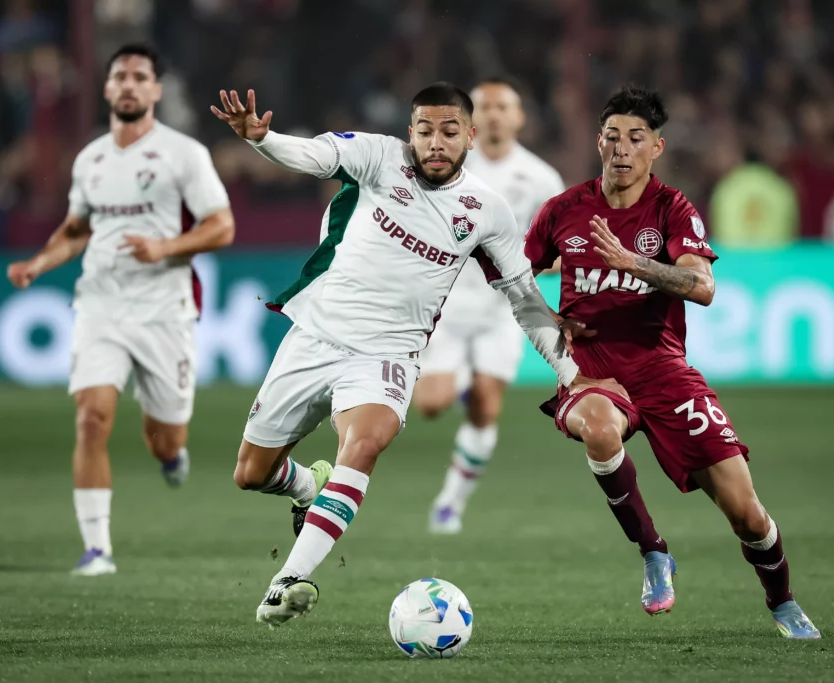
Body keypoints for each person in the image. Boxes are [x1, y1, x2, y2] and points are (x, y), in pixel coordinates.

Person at [210, 82, 588, 628]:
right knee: (251, 473)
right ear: (412, 131)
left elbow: (526, 300)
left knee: (363, 445)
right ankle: (306, 487)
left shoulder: (487, 211)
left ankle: (287, 579)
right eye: (426, 130)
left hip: (388, 354)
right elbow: (314, 155)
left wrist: (571, 374)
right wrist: (262, 138)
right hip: (316, 336)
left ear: (470, 137)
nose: (437, 142)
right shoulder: (378, 156)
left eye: (450, 132)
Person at [525, 86, 820, 639]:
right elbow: (512, 276)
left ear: (656, 147)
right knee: (598, 429)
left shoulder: (671, 209)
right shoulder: (563, 211)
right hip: (590, 371)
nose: (621, 148)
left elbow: (702, 286)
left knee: (747, 513)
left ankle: (782, 602)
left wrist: (633, 262)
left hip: (662, 370)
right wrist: (547, 316)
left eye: (635, 138)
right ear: (598, 142)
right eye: (611, 137)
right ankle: (654, 551)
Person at [6, 44, 235, 577]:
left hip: (164, 311)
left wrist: (165, 248)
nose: (129, 85)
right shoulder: (91, 159)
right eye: (120, 77)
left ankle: (171, 455)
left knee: (165, 438)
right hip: (100, 304)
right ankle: (97, 549)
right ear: (107, 89)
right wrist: (39, 263)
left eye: (140, 77)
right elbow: (77, 231)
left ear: (155, 90)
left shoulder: (184, 155)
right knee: (91, 418)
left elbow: (222, 226)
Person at [415, 78, 565, 535]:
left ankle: (449, 503)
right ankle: (459, 383)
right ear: (472, 119)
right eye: (486, 107)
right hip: (447, 305)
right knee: (431, 404)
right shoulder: (448, 165)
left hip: (503, 311)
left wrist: (541, 266)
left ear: (520, 118)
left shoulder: (541, 178)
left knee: (487, 408)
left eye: (505, 107)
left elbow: (559, 247)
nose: (495, 114)